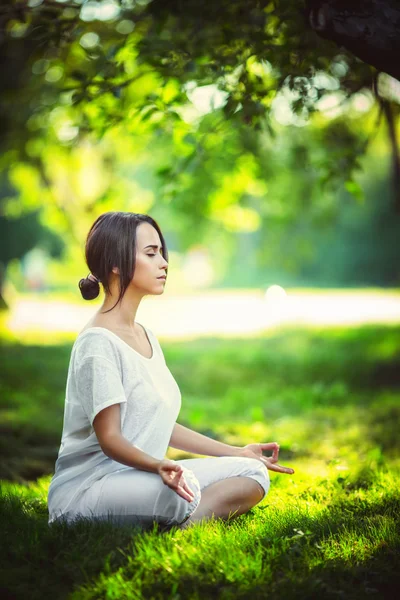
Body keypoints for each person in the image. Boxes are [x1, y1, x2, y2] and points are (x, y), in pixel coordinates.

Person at [47, 211, 294, 531]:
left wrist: (236, 451)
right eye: (151, 253)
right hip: (89, 488)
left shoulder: (145, 334)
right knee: (182, 493)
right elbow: (110, 438)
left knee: (252, 473)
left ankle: (179, 531)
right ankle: (178, 521)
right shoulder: (97, 343)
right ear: (115, 264)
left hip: (142, 477)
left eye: (162, 252)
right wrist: (158, 465)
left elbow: (162, 425)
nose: (164, 262)